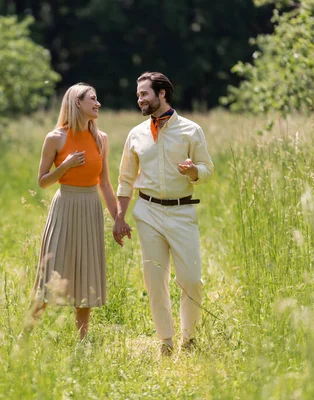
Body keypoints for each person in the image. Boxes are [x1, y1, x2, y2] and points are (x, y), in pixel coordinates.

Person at [113, 72, 214, 355]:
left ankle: (189, 339)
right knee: (154, 280)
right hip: (147, 212)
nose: (139, 99)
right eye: (138, 95)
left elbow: (208, 169)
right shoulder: (136, 134)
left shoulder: (191, 130)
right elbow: (125, 178)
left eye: (144, 93)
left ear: (162, 94)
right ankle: (166, 343)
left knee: (192, 279)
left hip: (182, 212)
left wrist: (194, 171)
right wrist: (120, 217)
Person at [29, 82, 122, 340]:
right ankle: (25, 336)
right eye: (93, 99)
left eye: (97, 98)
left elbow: (104, 183)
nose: (98, 103)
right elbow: (43, 181)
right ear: (77, 103)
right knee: (51, 273)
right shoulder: (55, 138)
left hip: (91, 208)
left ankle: (83, 343)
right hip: (65, 207)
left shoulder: (101, 139)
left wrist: (118, 219)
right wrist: (65, 166)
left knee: (87, 272)